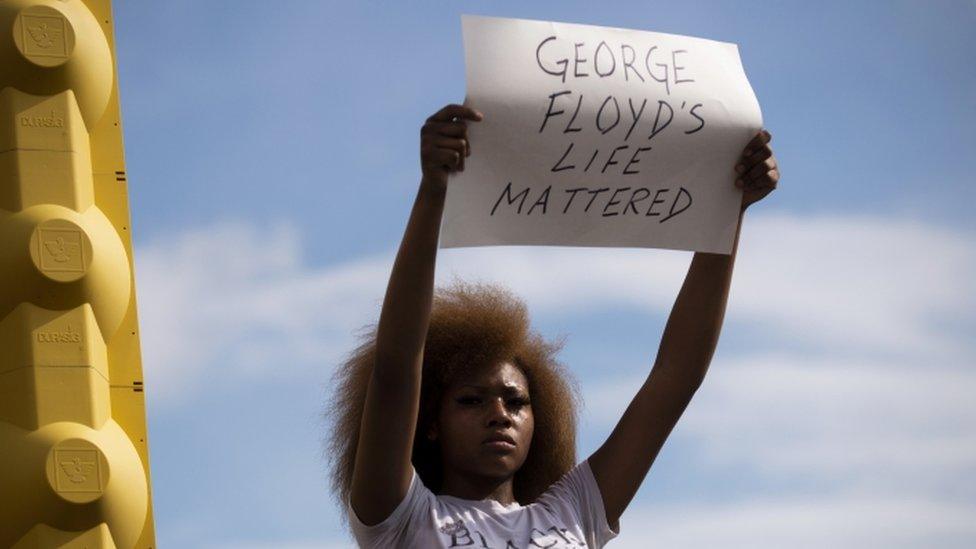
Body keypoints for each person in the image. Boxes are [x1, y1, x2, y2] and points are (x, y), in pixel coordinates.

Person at [327, 104, 779, 548]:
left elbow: (674, 378)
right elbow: (396, 366)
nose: (499, 415)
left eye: (516, 401)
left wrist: (728, 208)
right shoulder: (402, 518)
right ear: (430, 422)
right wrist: (432, 191)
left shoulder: (575, 512)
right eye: (471, 400)